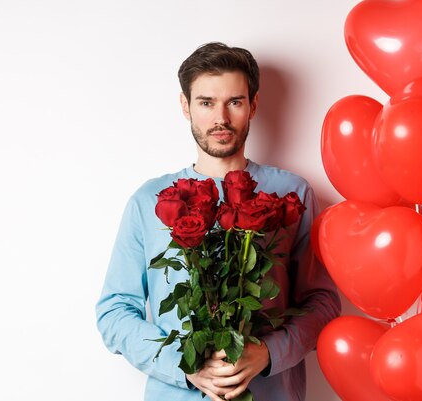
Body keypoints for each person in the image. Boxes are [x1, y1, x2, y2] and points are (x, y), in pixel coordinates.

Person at [96, 42, 341, 401]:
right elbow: (114, 310)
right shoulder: (150, 201)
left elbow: (322, 301)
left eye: (235, 102)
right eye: (206, 102)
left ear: (253, 105)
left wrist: (270, 353)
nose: (220, 118)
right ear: (186, 106)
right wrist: (183, 363)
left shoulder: (292, 194)